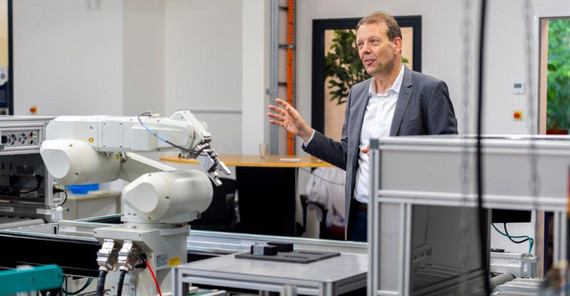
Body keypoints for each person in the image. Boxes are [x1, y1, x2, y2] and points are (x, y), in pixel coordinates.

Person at [268, 11, 458, 242]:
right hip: (360, 216)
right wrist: (305, 132)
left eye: (374, 41)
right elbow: (348, 156)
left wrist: (396, 157)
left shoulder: (429, 90)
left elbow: (449, 158)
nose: (364, 49)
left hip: (407, 217)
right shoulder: (357, 94)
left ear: (397, 44)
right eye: (360, 44)